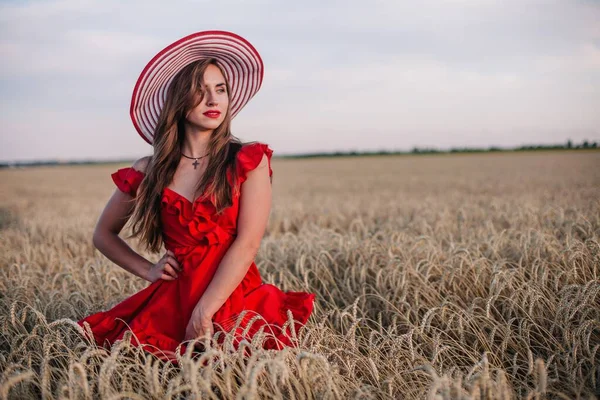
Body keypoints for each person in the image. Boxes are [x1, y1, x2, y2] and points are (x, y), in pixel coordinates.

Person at [76, 30, 316, 363]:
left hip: (234, 296)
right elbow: (103, 235)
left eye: (220, 89)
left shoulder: (247, 159)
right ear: (178, 100)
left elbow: (247, 244)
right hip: (172, 300)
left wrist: (204, 311)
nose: (213, 100)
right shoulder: (150, 170)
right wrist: (148, 270)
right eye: (199, 91)